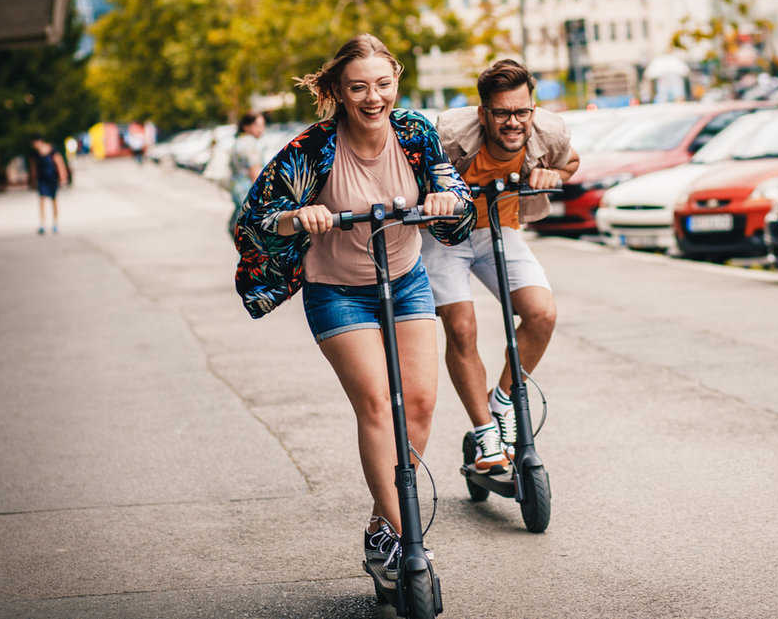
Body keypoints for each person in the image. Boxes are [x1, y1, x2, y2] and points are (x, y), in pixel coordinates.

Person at [233, 34, 476, 576]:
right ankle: (412, 542)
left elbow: (452, 192)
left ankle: (381, 529)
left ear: (396, 83)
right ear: (339, 92)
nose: (374, 98)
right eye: (359, 87)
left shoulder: (414, 132)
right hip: (337, 291)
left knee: (418, 405)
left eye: (383, 85)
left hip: (406, 281)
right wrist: (300, 217)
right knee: (376, 404)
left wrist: (444, 198)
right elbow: (254, 221)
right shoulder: (312, 148)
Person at [419, 58, 579, 474]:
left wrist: (551, 173)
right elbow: (409, 177)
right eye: (503, 113)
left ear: (532, 109)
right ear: (483, 113)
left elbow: (571, 162)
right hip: (445, 234)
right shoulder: (448, 135)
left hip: (499, 229)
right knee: (462, 328)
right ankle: (485, 430)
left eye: (522, 111)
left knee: (542, 314)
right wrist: (433, 193)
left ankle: (503, 399)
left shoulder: (549, 130)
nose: (513, 122)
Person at [227, 111, 266, 237]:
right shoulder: (250, 144)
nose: (261, 129)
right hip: (249, 193)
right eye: (257, 125)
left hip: (237, 192)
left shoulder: (238, 142)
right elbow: (255, 173)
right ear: (246, 126)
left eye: (262, 125)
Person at [29, 133, 69, 234]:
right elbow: (33, 166)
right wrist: (33, 180)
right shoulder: (35, 153)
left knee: (53, 199)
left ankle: (55, 223)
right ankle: (43, 224)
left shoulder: (52, 149)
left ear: (40, 141)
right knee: (42, 199)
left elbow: (59, 162)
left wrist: (62, 176)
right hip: (41, 179)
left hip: (52, 178)